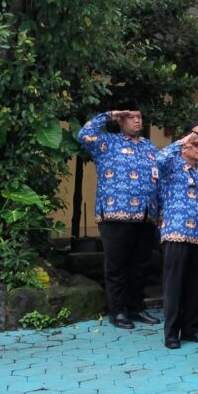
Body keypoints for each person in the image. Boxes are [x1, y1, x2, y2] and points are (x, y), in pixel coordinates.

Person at [78, 105, 160, 329]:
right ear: (121, 121)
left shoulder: (149, 146)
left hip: (145, 216)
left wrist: (159, 210)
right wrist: (109, 115)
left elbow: (158, 178)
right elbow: (84, 134)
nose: (137, 121)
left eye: (139, 117)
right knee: (117, 266)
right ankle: (118, 311)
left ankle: (136, 307)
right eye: (131, 117)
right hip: (115, 215)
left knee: (140, 266)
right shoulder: (107, 143)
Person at [155, 128, 198, 349]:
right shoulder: (172, 166)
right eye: (195, 145)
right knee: (175, 287)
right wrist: (182, 141)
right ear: (183, 148)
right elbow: (159, 159)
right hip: (177, 234)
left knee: (197, 288)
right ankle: (171, 333)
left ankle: (192, 329)